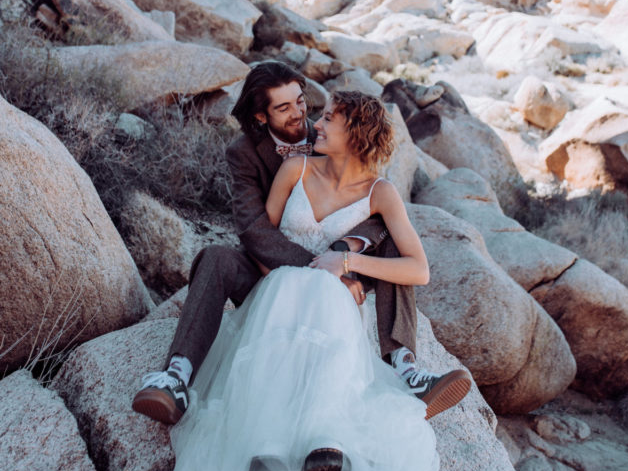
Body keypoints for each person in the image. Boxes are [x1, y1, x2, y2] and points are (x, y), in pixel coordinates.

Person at [159, 91, 466, 471]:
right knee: (307, 294)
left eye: (328, 118)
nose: (315, 124)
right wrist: (306, 274)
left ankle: (330, 443)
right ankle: (264, 444)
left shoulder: (381, 193)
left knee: (331, 300)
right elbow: (261, 243)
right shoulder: (295, 170)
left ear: (356, 132)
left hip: (332, 293)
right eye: (318, 115)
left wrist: (346, 264)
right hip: (278, 285)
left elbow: (419, 269)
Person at [132, 62, 470, 444]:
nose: (304, 117)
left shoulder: (330, 144)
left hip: (335, 272)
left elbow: (371, 208)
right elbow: (255, 230)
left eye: (302, 103)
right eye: (285, 108)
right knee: (214, 257)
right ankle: (176, 376)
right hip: (274, 270)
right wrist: (322, 274)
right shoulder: (254, 156)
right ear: (262, 116)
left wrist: (346, 255)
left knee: (392, 244)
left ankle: (406, 368)